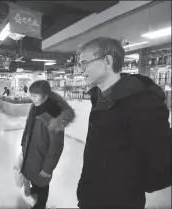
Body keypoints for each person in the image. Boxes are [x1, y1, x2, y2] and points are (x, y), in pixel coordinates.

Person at [76, 37, 171, 209]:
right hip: (90, 196)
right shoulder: (98, 96)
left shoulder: (142, 103)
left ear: (107, 61)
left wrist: (130, 185)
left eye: (84, 63)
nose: (80, 70)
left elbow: (163, 159)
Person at [20, 80, 75, 209]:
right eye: (31, 94)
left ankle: (41, 203)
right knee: (33, 174)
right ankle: (35, 189)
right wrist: (23, 143)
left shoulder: (54, 115)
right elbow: (28, 127)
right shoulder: (35, 107)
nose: (32, 98)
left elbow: (57, 145)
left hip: (43, 155)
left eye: (35, 95)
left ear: (45, 96)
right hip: (31, 149)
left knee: (43, 179)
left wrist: (48, 167)